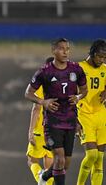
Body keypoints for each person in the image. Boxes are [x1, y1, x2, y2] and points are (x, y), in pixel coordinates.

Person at [25, 38, 88, 185]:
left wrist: (78, 97)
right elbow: (28, 93)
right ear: (54, 51)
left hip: (70, 121)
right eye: (61, 49)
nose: (65, 52)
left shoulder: (76, 69)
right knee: (58, 158)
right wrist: (43, 102)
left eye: (67, 49)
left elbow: (84, 90)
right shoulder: (44, 72)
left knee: (65, 162)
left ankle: (45, 177)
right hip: (52, 123)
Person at [76, 39, 106, 185]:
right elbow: (68, 94)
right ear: (93, 53)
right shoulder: (78, 68)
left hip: (101, 116)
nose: (102, 60)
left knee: (100, 158)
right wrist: (74, 119)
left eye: (105, 57)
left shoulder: (104, 70)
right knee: (92, 155)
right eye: (100, 56)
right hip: (84, 115)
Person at [26, 57, 54, 185]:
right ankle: (45, 180)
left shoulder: (41, 84)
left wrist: (30, 131)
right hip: (55, 132)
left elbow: (36, 108)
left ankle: (40, 178)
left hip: (40, 131)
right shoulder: (63, 85)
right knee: (50, 168)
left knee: (31, 161)